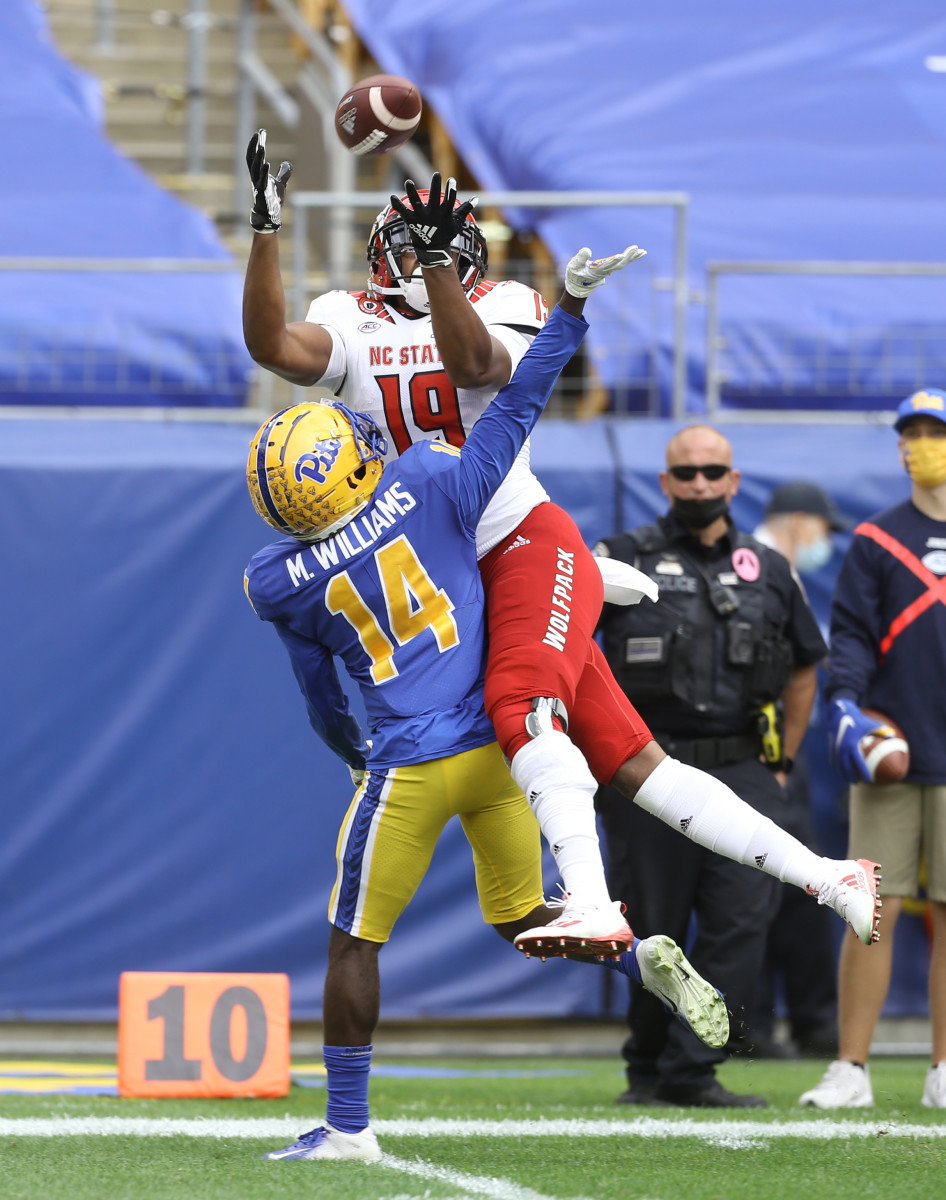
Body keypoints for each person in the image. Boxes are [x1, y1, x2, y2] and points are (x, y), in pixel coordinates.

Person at [242, 133, 882, 982]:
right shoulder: (346, 318)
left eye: (425, 242)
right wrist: (264, 226)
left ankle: (587, 893)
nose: (407, 253)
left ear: (458, 252)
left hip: (515, 540)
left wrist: (438, 271)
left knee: (519, 707)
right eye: (401, 241)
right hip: (444, 566)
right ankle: (829, 875)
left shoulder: (507, 300)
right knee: (639, 766)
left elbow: (476, 363)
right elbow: (271, 348)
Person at [244, 264, 730, 1162]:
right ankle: (634, 954)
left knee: (354, 941)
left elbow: (321, 702)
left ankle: (348, 1127)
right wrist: (573, 312)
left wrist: (353, 754)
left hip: (410, 762)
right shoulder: (430, 482)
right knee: (522, 914)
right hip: (499, 743)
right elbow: (514, 409)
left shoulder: (277, 580)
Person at [592, 428, 857, 1108]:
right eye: (687, 473)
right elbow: (565, 649)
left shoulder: (768, 568)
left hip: (740, 766)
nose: (701, 483)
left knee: (743, 920)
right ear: (665, 482)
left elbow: (806, 666)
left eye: (714, 471)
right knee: (654, 926)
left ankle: (693, 1071)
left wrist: (783, 760)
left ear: (734, 482)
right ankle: (646, 1069)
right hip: (646, 770)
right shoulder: (620, 561)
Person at [799, 389, 946, 1110]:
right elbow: (850, 634)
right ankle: (851, 1069)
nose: (920, 445)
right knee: (871, 910)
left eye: (934, 432)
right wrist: (848, 705)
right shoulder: (876, 539)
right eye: (911, 434)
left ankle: (944, 1071)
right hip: (891, 747)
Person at [744, 482, 849, 1058]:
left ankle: (807, 1021)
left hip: (783, 745)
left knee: (803, 886)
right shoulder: (756, 567)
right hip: (752, 746)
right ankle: (756, 1024)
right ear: (802, 522)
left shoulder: (783, 571)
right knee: (747, 885)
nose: (825, 543)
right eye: (823, 530)